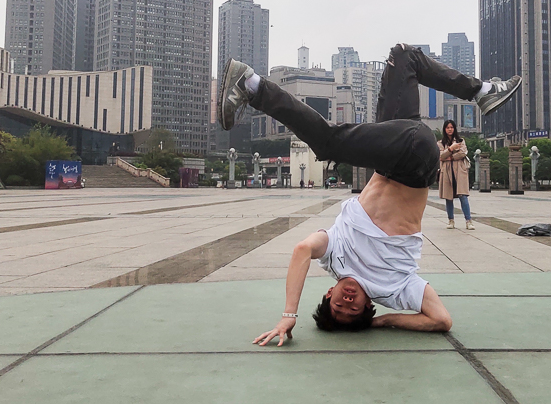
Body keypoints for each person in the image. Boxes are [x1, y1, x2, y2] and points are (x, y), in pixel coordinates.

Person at [216, 43, 520, 345]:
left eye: (338, 306)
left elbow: (302, 250)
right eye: (354, 310)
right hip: (414, 162)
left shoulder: (334, 257)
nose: (347, 302)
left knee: (404, 56)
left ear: (329, 293)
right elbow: (442, 320)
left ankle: (483, 91)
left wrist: (289, 314)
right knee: (328, 143)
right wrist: (383, 321)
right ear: (368, 306)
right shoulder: (393, 289)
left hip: (395, 149)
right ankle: (251, 85)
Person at [438, 119, 473, 230]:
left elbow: (463, 153)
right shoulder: (440, 143)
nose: (450, 129)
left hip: (460, 171)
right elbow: (441, 156)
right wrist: (451, 148)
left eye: (452, 127)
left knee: (463, 196)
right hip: (447, 171)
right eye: (448, 127)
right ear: (445, 129)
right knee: (448, 197)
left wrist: (450, 157)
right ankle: (451, 220)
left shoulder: (460, 141)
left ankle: (468, 221)